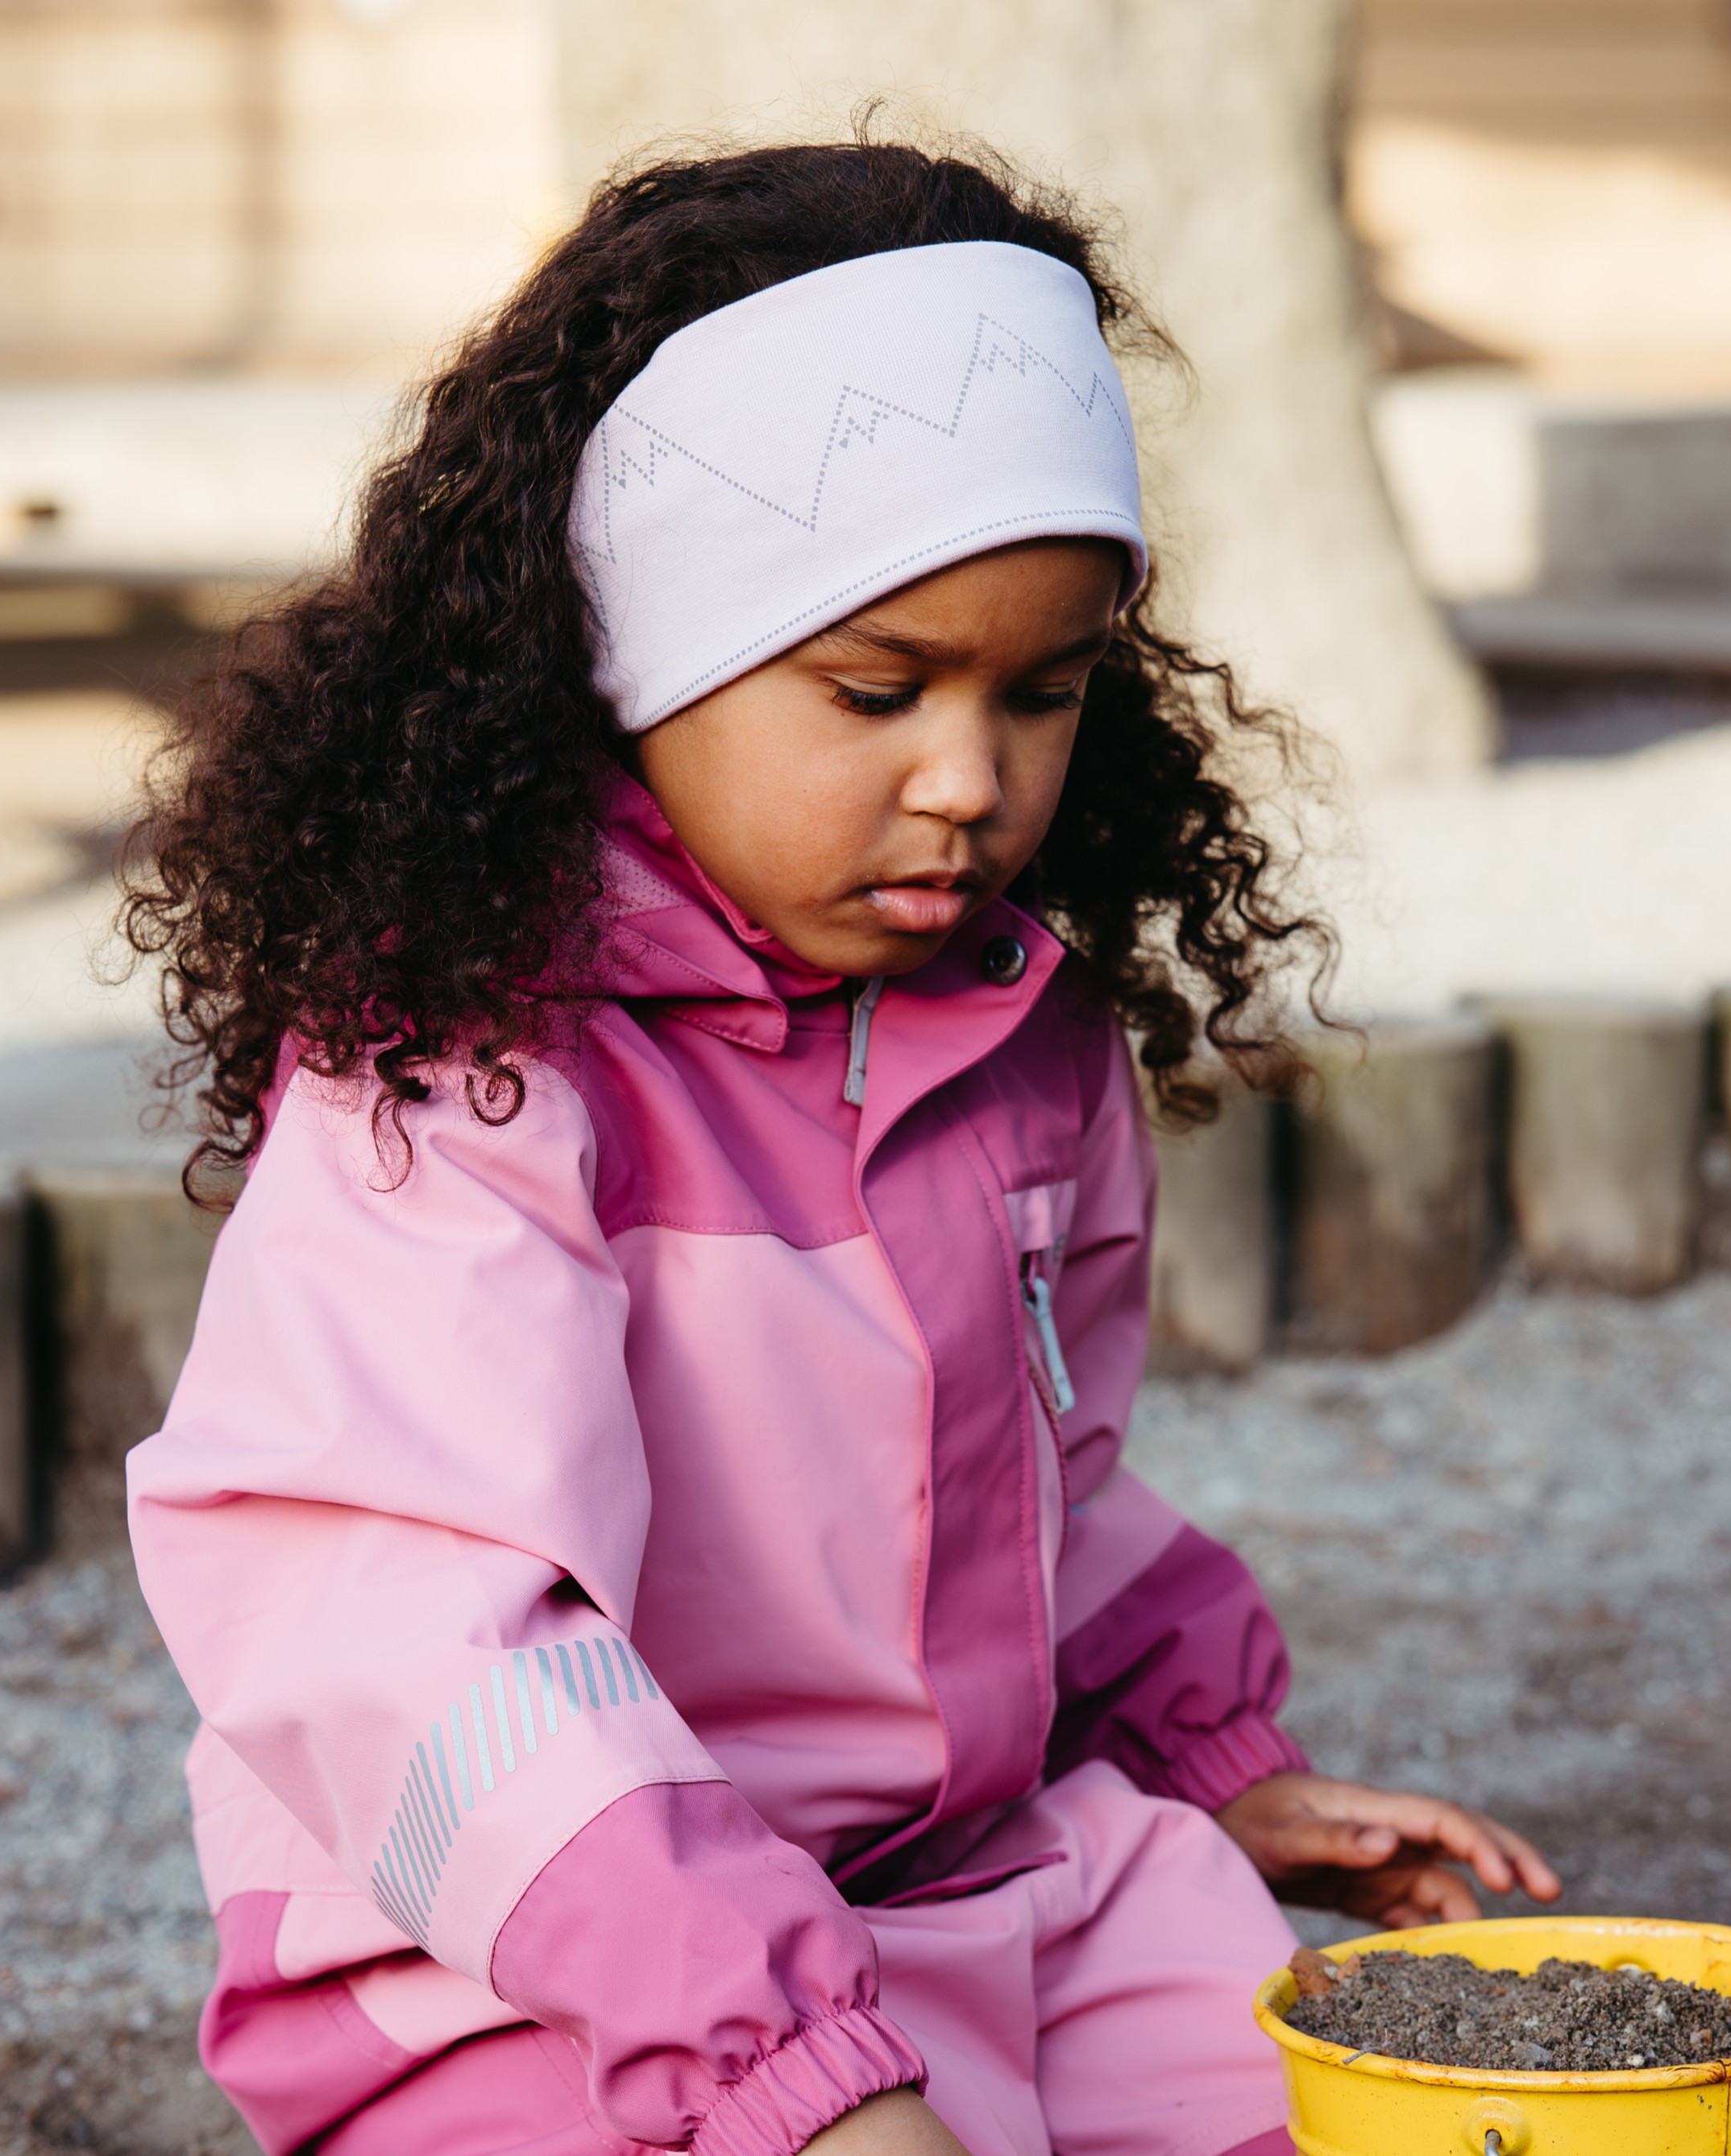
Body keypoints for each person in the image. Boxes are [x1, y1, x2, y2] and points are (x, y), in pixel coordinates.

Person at [122, 138, 1560, 2156]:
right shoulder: (469, 1074)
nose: (969, 780)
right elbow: (409, 1643)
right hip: (545, 1971)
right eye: (873, 689)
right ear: (642, 655)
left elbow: (1031, 1488)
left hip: (988, 1889)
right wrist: (779, 2068)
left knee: (1397, 2115)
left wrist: (1207, 1757)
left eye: (1043, 692)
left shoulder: (1014, 1029)